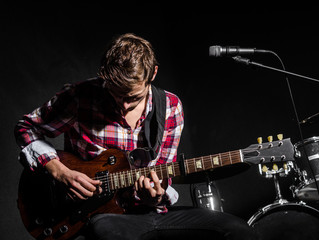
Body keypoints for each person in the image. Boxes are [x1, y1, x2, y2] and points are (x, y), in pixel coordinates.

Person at [14, 33, 258, 240]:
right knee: (105, 231)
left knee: (237, 230)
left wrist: (155, 195)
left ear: (152, 74)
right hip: (98, 215)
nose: (123, 105)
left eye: (132, 97)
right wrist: (61, 172)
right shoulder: (80, 97)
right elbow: (26, 127)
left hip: (151, 212)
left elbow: (162, 174)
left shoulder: (170, 107)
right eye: (115, 94)